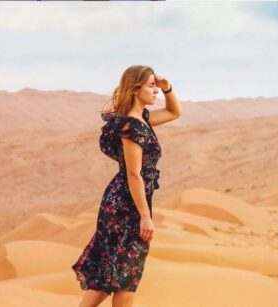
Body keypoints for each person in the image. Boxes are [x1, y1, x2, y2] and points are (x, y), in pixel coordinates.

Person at [72, 65, 181, 307]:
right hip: (127, 204)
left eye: (155, 86)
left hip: (123, 199)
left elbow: (175, 112)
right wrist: (145, 216)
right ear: (135, 90)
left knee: (111, 272)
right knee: (127, 274)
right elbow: (134, 174)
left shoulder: (140, 120)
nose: (155, 91)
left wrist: (167, 88)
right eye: (150, 86)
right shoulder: (133, 126)